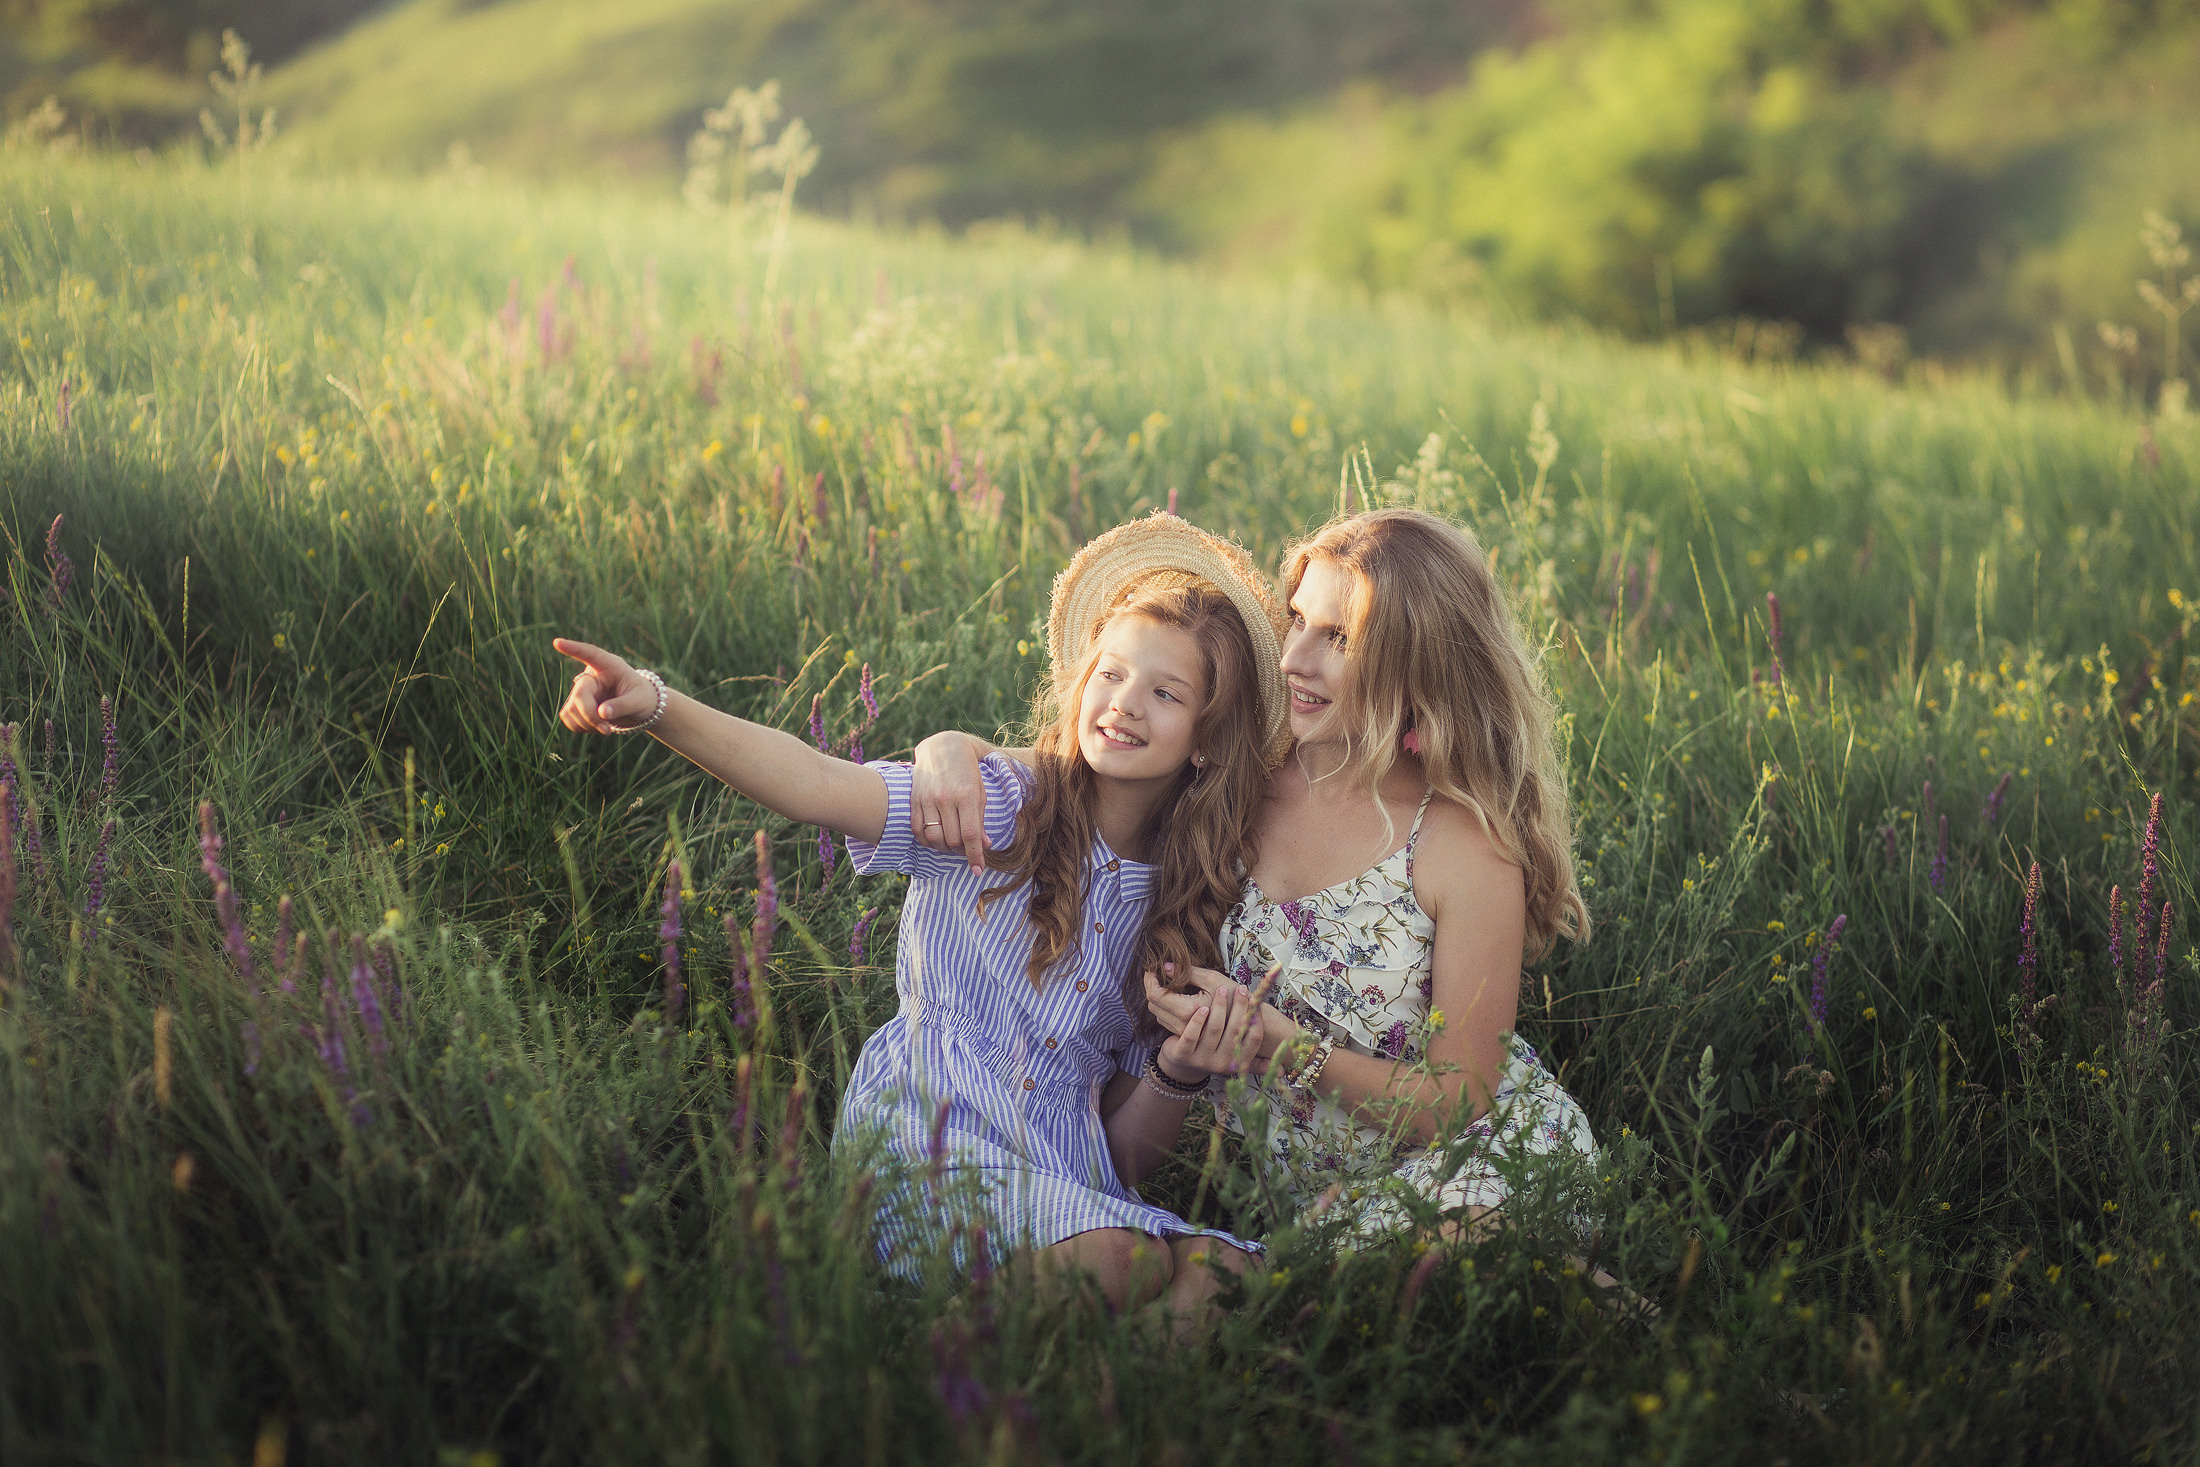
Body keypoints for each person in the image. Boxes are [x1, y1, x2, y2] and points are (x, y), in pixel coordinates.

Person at [552, 512, 1293, 1324]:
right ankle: (928, 1363)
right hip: (927, 1134)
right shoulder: (995, 806)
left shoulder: (1180, 903)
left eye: (1165, 691)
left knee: (1227, 1273)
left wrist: (1181, 1070)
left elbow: (1120, 1154)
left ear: (1204, 738)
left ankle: (1067, 1410)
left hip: (1061, 1168)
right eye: (1110, 673)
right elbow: (814, 781)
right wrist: (656, 702)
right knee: (1123, 1261)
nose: (1124, 704)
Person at [912, 506, 1599, 1248]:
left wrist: (1282, 1047)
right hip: (1304, 1194)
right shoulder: (1244, 778)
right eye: (1297, 621)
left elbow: (1459, 1101)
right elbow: (1094, 764)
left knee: (1330, 1291)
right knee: (1247, 1304)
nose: (1294, 658)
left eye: (1336, 637)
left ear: (1414, 660)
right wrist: (954, 748)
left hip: (1469, 1164)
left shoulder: (1463, 844)